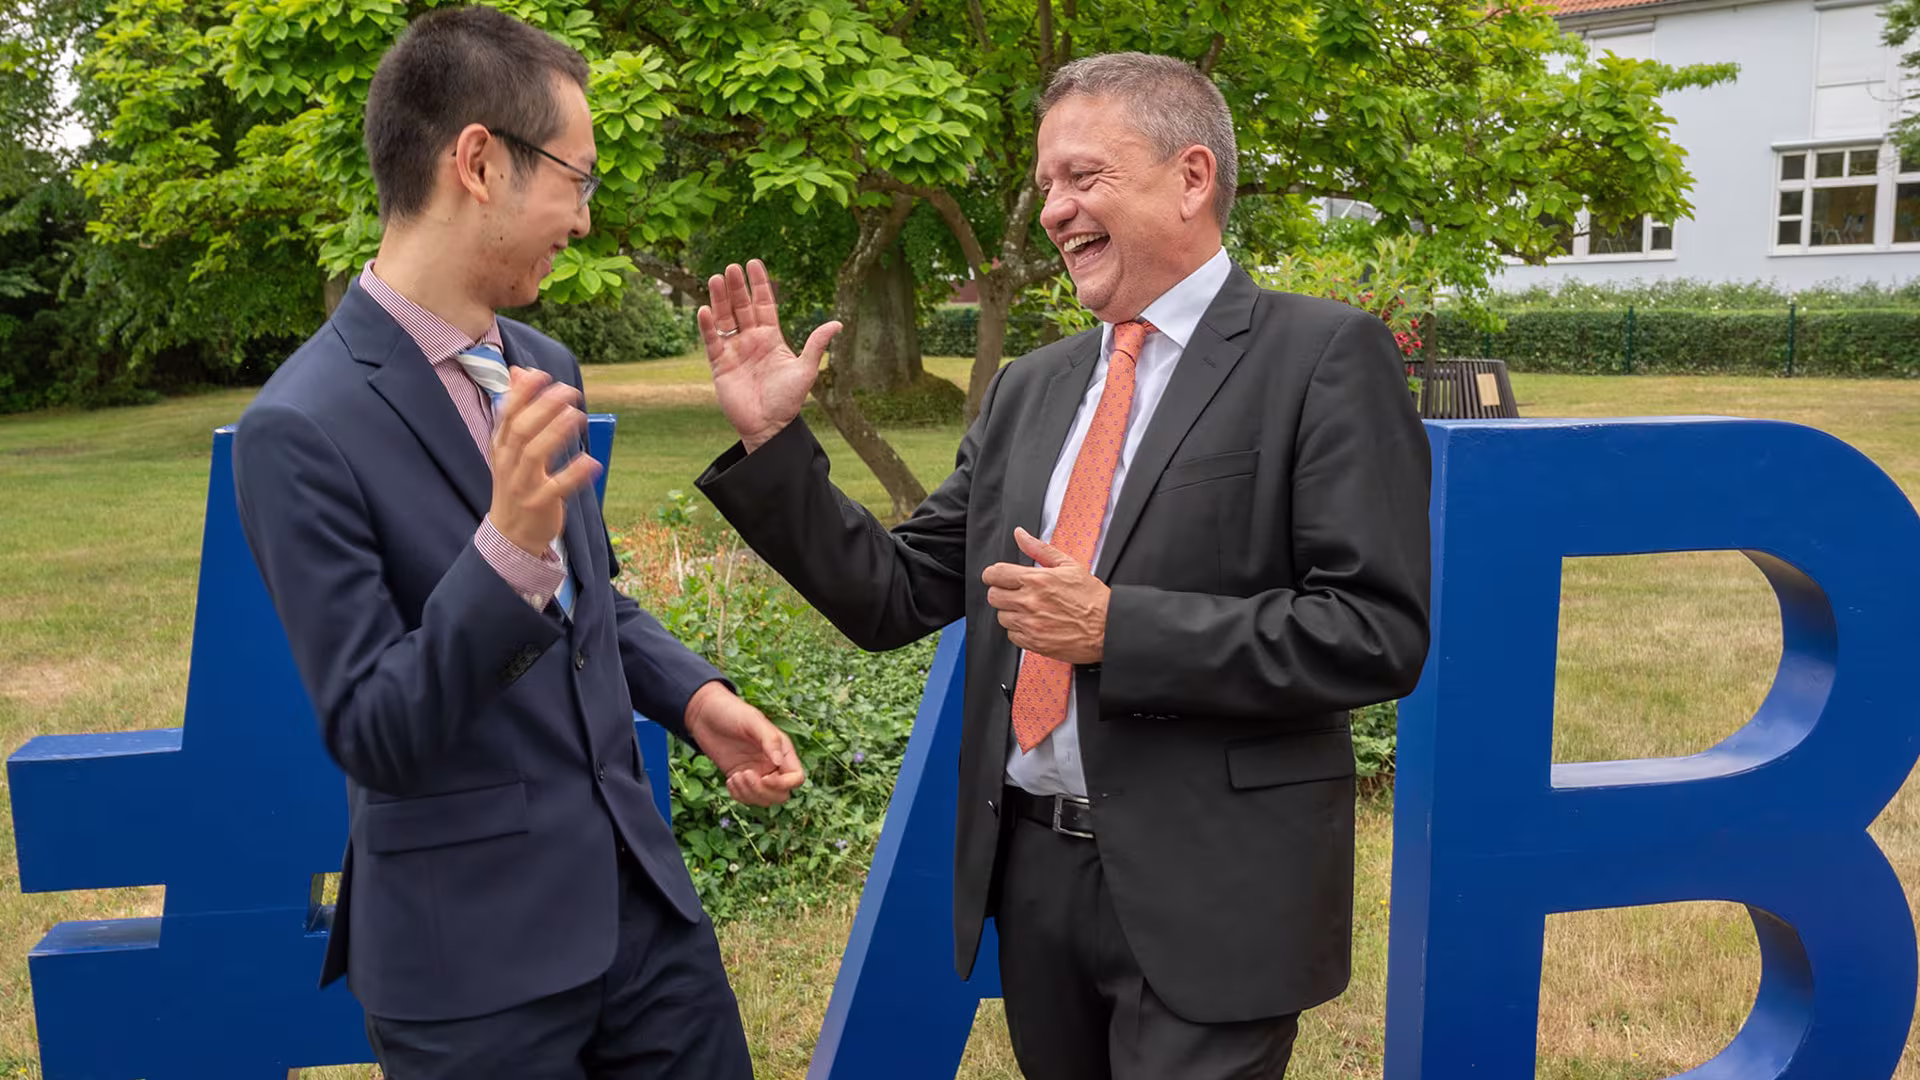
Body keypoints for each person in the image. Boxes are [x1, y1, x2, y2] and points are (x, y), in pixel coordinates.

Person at [694, 51, 1432, 1079]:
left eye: (1083, 177)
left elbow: (1373, 633)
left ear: (1191, 177)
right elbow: (894, 593)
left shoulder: (1321, 356)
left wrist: (1117, 630)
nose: (1053, 211)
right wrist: (774, 445)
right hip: (1035, 878)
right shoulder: (1031, 388)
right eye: (1046, 184)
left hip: (1217, 890)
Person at [232, 8, 803, 1078]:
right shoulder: (298, 429)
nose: (584, 219)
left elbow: (590, 604)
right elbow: (375, 730)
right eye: (577, 179)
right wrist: (503, 552)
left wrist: (696, 702)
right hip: (469, 972)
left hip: (646, 923)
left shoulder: (544, 363)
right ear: (480, 163)